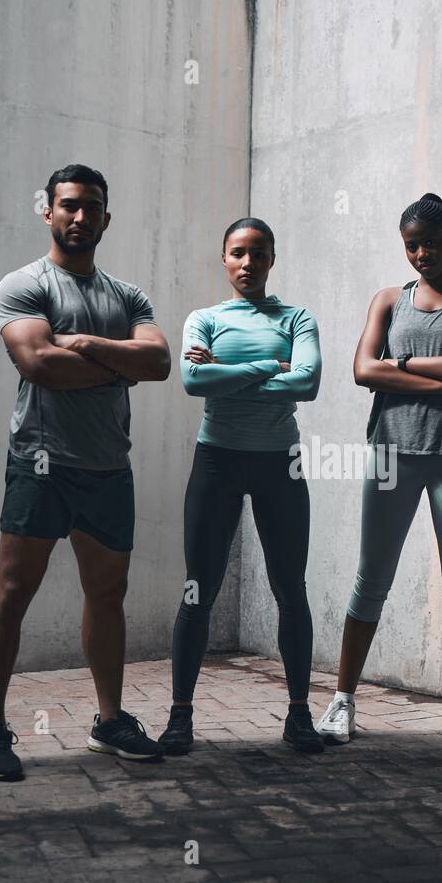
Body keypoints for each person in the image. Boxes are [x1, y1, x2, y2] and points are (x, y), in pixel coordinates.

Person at [0, 164, 171, 781]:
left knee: (107, 597)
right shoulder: (23, 284)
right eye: (69, 205)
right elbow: (40, 364)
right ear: (48, 210)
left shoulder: (127, 295)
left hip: (109, 467)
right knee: (13, 592)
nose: (80, 217)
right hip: (41, 462)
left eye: (92, 208)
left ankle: (109, 723)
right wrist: (120, 364)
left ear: (106, 218)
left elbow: (160, 360)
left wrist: (92, 347)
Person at [316, 193, 442, 752]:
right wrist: (440, 379)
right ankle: (343, 701)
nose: (422, 253)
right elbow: (360, 370)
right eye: (411, 244)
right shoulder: (386, 301)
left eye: (431, 241)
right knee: (371, 577)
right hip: (392, 454)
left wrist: (397, 368)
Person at [159, 218, 324, 755]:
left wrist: (228, 368)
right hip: (218, 461)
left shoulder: (297, 317)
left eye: (258, 253)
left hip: (281, 464)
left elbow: (309, 382)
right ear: (224, 259)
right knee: (197, 590)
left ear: (272, 258)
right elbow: (191, 380)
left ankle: (299, 714)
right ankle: (180, 716)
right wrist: (267, 366)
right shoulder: (204, 318)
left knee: (290, 590)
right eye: (238, 253)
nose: (248, 263)